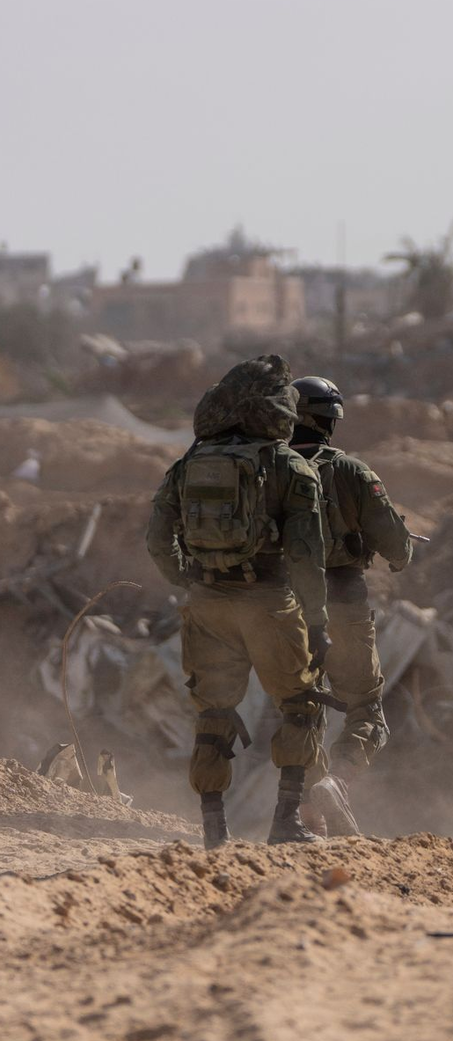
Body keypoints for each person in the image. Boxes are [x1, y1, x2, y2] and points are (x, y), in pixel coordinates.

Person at [146, 355, 330, 850]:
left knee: (213, 713)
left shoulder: (189, 464)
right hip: (269, 602)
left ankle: (214, 828)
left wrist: (187, 579)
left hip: (207, 604)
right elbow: (307, 555)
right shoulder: (290, 466)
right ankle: (286, 821)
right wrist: (317, 622)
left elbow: (157, 538)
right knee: (300, 705)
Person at [288, 376, 413, 836]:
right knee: (365, 708)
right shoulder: (351, 471)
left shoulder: (268, 470)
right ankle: (336, 782)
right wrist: (397, 551)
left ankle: (308, 813)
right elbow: (397, 546)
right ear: (332, 420)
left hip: (282, 605)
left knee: (299, 708)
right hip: (341, 598)